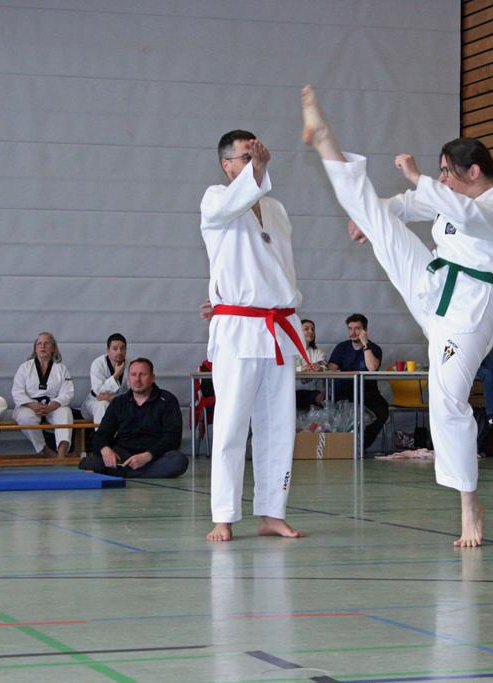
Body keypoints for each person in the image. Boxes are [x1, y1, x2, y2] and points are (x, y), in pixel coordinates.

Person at [302, 85, 493, 547]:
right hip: (435, 283)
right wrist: (377, 214)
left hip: (470, 309)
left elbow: (466, 216)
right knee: (380, 222)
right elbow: (408, 206)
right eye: (439, 172)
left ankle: (469, 504)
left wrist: (419, 177)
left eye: (447, 171)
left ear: (474, 171)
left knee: (446, 400)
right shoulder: (448, 195)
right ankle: (325, 142)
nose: (441, 179)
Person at [199, 129, 310, 542]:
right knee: (231, 424)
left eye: (257, 155)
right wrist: (256, 173)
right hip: (239, 328)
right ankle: (224, 516)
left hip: (278, 326)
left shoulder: (276, 209)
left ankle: (271, 513)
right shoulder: (215, 199)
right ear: (227, 165)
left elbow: (279, 269)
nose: (253, 162)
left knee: (278, 425)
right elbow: (233, 205)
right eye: (245, 157)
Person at [79, 358, 188, 478]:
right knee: (88, 463)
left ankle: (127, 472)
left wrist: (147, 456)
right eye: (133, 375)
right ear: (129, 378)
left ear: (152, 378)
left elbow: (172, 438)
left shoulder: (167, 400)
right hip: (123, 456)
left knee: (178, 461)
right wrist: (106, 450)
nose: (137, 379)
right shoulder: (119, 402)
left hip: (153, 457)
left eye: (143, 375)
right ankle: (140, 473)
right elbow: (101, 435)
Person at [326, 314, 389, 451]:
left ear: (365, 330)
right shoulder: (341, 347)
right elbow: (331, 368)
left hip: (368, 394)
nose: (353, 332)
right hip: (343, 392)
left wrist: (365, 344)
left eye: (357, 329)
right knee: (339, 414)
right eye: (350, 328)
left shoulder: (374, 348)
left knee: (382, 412)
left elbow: (372, 368)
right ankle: (342, 448)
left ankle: (361, 446)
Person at [11, 332, 75, 458]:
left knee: (65, 413)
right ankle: (44, 449)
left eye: (46, 343)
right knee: (25, 418)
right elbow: (17, 391)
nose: (42, 346)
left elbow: (68, 392)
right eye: (39, 344)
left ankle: (61, 453)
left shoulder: (61, 368)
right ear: (35, 348)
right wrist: (31, 405)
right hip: (29, 405)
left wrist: (53, 405)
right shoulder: (25, 368)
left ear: (53, 348)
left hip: (53, 405)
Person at [82, 333, 129, 426]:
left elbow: (135, 391)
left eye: (122, 348)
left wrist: (113, 398)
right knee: (103, 404)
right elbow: (99, 391)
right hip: (95, 402)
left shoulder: (131, 364)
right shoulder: (98, 364)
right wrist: (116, 375)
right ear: (108, 350)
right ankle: (102, 435)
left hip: (121, 402)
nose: (119, 352)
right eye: (115, 349)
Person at [296, 319, 327, 410]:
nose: (311, 331)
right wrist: (302, 369)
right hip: (293, 392)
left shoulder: (318, 352)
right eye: (306, 329)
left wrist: (318, 368)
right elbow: (288, 369)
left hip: (314, 392)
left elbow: (324, 365)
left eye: (312, 329)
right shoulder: (290, 352)